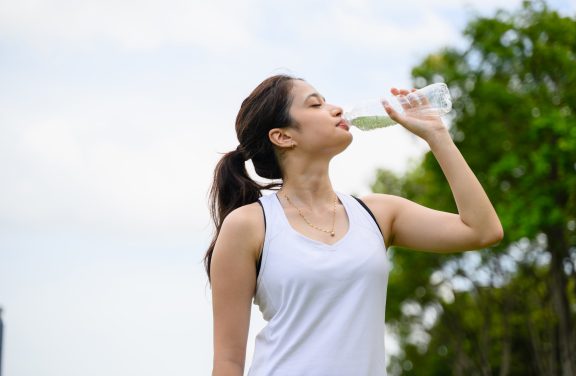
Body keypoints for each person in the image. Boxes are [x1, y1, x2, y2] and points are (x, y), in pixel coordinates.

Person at [206, 74, 503, 376]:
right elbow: (228, 363)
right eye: (316, 104)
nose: (335, 109)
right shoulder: (248, 225)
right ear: (283, 136)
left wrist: (437, 134)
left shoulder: (378, 214)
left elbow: (482, 230)